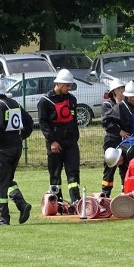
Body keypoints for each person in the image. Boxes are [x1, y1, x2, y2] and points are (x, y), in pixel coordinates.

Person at [0, 76, 34, 226]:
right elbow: (29, 121)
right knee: (7, 181)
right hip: (16, 147)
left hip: (3, 149)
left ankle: (3, 218)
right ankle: (22, 204)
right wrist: (21, 136)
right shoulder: (14, 103)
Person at [37, 69, 82, 204]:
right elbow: (43, 124)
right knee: (55, 173)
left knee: (73, 171)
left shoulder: (71, 99)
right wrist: (52, 141)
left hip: (71, 141)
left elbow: (73, 120)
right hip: (55, 142)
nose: (69, 88)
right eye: (67, 85)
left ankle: (76, 200)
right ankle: (58, 201)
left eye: (70, 85)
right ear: (59, 84)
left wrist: (75, 137)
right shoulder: (45, 101)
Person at [100, 78, 126, 197]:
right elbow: (107, 123)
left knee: (125, 168)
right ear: (113, 91)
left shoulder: (128, 104)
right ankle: (105, 195)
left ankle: (126, 193)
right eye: (118, 89)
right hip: (112, 139)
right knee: (109, 168)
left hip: (126, 140)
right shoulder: (107, 105)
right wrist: (119, 131)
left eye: (122, 88)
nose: (121, 91)